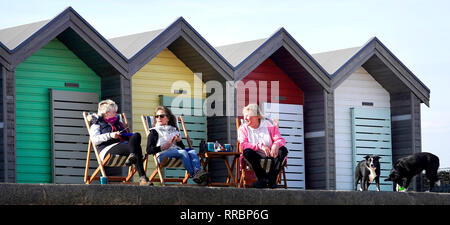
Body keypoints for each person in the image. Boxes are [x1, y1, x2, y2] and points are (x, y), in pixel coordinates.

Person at [89, 99, 151, 186]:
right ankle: (143, 178)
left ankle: (132, 156)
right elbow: (94, 140)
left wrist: (125, 135)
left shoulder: (118, 123)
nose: (116, 114)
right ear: (106, 113)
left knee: (136, 135)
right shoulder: (97, 123)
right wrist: (110, 135)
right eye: (114, 112)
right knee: (137, 148)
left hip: (122, 146)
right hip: (107, 149)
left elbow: (127, 137)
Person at [146, 106, 208, 185]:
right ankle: (195, 176)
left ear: (167, 118)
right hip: (162, 156)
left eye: (161, 116)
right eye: (157, 116)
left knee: (192, 151)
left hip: (176, 153)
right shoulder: (154, 132)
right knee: (183, 153)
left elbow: (182, 148)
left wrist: (179, 142)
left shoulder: (174, 130)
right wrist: (162, 147)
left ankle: (197, 171)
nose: (159, 118)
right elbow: (148, 150)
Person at [238, 104, 288, 188]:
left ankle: (268, 181)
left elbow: (280, 140)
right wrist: (260, 146)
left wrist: (276, 144)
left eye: (248, 116)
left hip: (271, 158)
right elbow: (243, 145)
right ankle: (266, 180)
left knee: (282, 149)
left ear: (257, 116)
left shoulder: (269, 124)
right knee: (247, 151)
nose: (245, 118)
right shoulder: (243, 128)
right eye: (244, 116)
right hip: (256, 160)